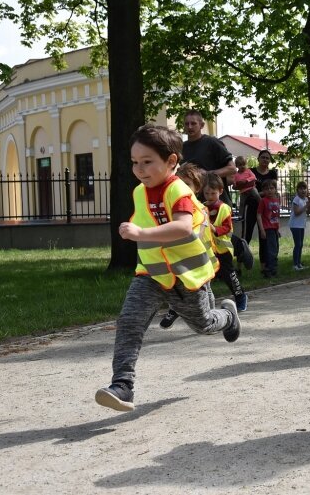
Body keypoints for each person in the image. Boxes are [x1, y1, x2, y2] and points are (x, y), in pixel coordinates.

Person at [95, 124, 240, 412]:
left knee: (204, 324)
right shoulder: (139, 192)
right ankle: (122, 386)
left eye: (147, 162)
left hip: (185, 277)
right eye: (135, 162)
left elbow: (184, 228)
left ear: (171, 161)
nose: (140, 169)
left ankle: (227, 315)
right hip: (150, 274)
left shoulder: (179, 190)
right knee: (129, 322)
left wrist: (140, 234)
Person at [158, 162, 220, 328]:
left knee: (204, 289)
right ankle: (175, 309)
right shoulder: (172, 206)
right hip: (178, 257)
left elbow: (198, 233)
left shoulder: (200, 208)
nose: (181, 187)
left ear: (196, 188)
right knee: (176, 285)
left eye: (187, 184)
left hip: (199, 258)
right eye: (178, 182)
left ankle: (212, 316)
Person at [203, 173, 248, 311]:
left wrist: (214, 229)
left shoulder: (224, 208)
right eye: (207, 193)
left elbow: (228, 228)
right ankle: (203, 305)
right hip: (207, 250)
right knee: (204, 277)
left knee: (229, 276)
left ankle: (240, 297)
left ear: (221, 191)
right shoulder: (201, 207)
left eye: (213, 193)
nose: (210, 197)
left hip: (223, 250)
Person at [182, 110, 236, 206]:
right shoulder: (182, 147)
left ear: (201, 125)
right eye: (187, 124)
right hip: (195, 204)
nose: (189, 127)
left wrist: (206, 174)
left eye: (193, 123)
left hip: (218, 205)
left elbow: (232, 169)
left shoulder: (212, 142)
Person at [243, 150, 278, 244]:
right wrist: (263, 194)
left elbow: (274, 190)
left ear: (270, 160)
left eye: (267, 158)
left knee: (264, 232)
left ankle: (265, 258)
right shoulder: (251, 171)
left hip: (266, 207)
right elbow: (248, 189)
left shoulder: (272, 174)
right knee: (247, 232)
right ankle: (243, 256)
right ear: (258, 159)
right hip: (252, 205)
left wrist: (258, 193)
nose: (265, 159)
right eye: (263, 157)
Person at [257, 179, 281, 278]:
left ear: (275, 189)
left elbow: (277, 216)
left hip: (274, 228)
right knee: (271, 249)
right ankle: (269, 270)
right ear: (263, 191)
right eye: (267, 189)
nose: (269, 191)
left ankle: (273, 268)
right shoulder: (263, 201)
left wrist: (278, 229)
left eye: (272, 188)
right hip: (268, 228)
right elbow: (258, 215)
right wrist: (262, 229)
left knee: (276, 248)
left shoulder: (276, 200)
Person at [290, 181, 310, 271]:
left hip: (301, 225)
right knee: (298, 244)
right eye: (301, 188)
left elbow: (308, 212)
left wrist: (309, 206)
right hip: (295, 225)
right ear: (297, 190)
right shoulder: (296, 199)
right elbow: (297, 212)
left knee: (301, 244)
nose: (303, 190)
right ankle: (295, 264)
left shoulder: (306, 199)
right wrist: (306, 206)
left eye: (304, 188)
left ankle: (299, 263)